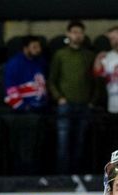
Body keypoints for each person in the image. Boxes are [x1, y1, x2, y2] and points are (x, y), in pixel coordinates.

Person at [48, 20, 96, 174]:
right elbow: (52, 80)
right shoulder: (60, 55)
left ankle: (77, 176)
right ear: (68, 34)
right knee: (63, 144)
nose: (77, 35)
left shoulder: (89, 55)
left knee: (80, 144)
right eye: (74, 32)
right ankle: (63, 177)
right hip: (65, 105)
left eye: (80, 32)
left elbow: (95, 80)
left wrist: (92, 101)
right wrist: (59, 97)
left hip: (84, 104)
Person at [2, 35, 47, 111]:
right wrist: (23, 107)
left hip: (41, 106)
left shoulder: (40, 61)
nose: (38, 50)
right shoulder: (14, 64)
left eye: (39, 47)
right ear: (25, 48)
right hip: (25, 110)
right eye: (34, 47)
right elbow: (10, 89)